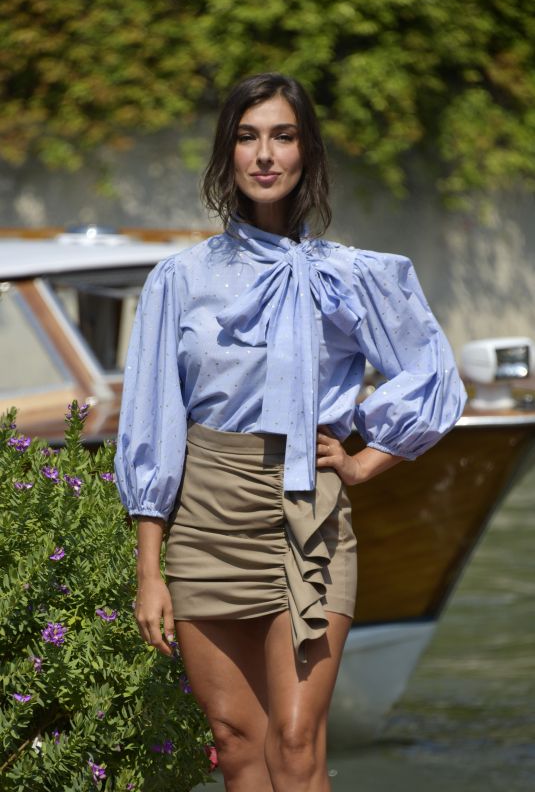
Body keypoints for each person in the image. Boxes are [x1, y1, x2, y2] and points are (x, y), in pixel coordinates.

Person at [114, 72, 467, 792]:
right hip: (206, 518)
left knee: (297, 742)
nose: (264, 154)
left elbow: (431, 373)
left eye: (282, 135)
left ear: (307, 151)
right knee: (238, 743)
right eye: (246, 137)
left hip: (308, 514)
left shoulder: (350, 276)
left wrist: (366, 462)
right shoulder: (180, 280)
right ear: (227, 154)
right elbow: (152, 421)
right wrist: (149, 574)